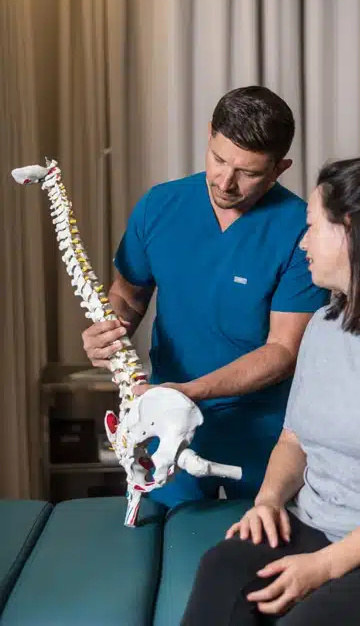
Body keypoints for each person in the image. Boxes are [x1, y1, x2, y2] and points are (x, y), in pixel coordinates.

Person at [181, 157, 360, 625]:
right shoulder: (323, 325)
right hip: (312, 522)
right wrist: (268, 501)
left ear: (350, 229)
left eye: (312, 227)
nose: (303, 241)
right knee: (221, 567)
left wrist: (323, 567)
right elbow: (293, 440)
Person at [82, 86, 328, 508]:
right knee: (154, 542)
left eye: (248, 172)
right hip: (164, 426)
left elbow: (284, 349)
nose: (225, 181)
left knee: (256, 559)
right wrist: (109, 333)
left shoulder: (301, 232)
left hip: (264, 437)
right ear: (210, 133)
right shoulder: (159, 206)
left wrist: (191, 392)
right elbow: (127, 295)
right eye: (218, 159)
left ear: (279, 168)